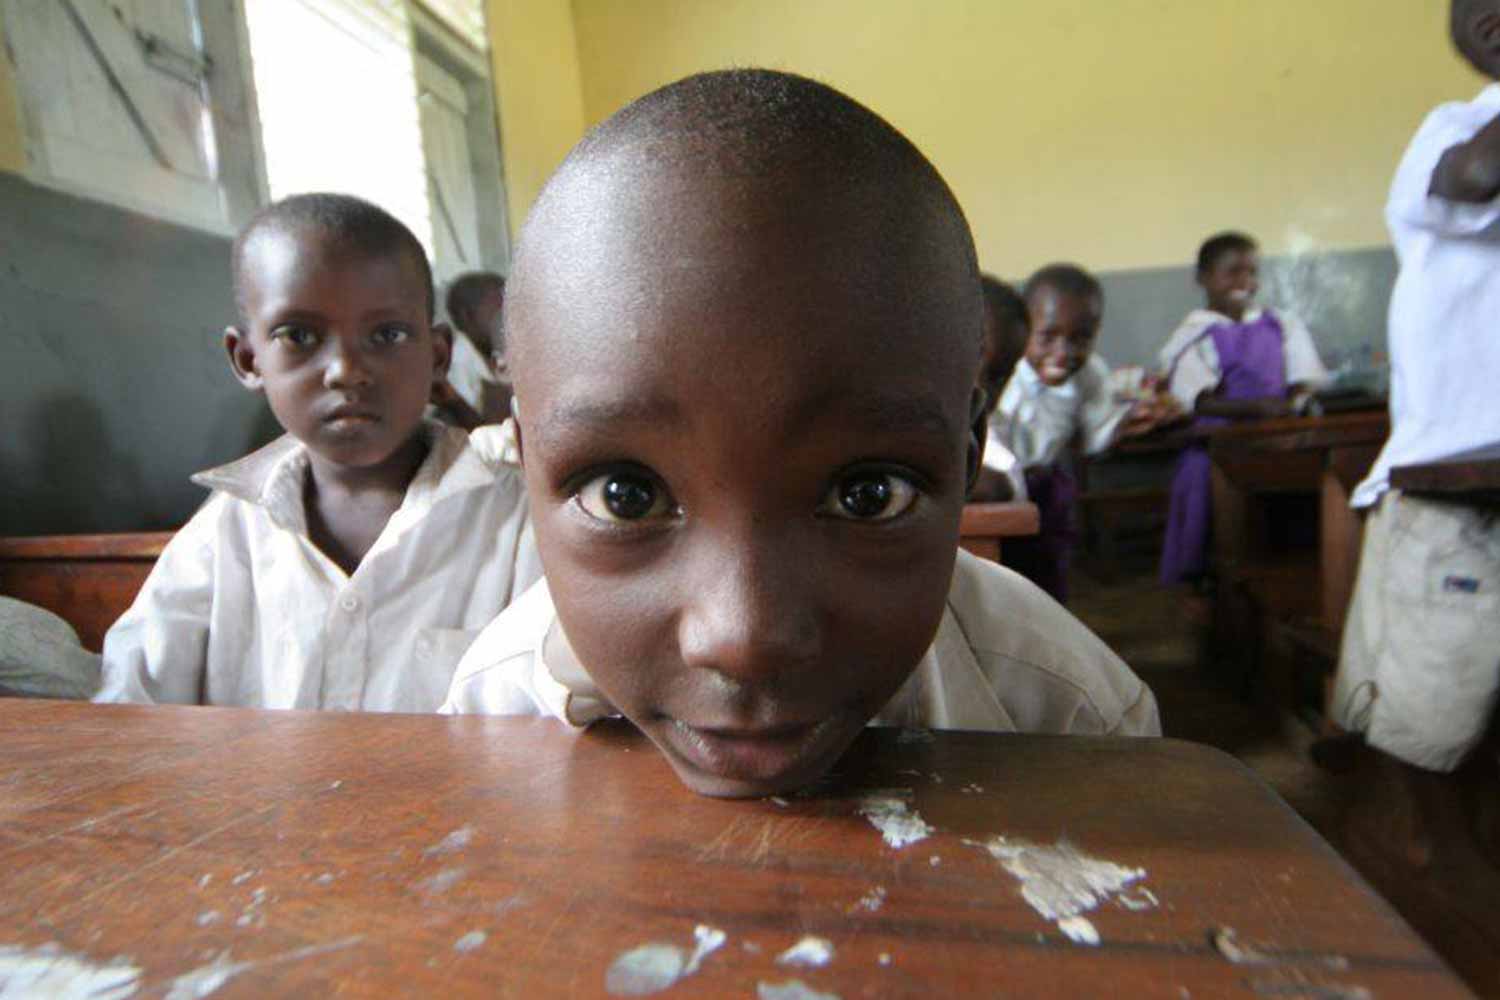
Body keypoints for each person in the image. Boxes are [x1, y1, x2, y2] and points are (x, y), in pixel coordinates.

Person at [439, 69, 1159, 799]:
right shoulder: (487, 715)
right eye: (626, 496)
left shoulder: (1072, 718)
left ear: (967, 461)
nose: (745, 639)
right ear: (527, 466)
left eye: (867, 494)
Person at [96, 194, 541, 711]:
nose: (345, 370)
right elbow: (128, 709)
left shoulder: (517, 524)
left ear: (437, 354)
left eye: (387, 334)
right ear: (248, 359)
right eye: (300, 336)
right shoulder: (223, 539)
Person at [1324, 0, 1500, 853]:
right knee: (1433, 698)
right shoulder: (1455, 130)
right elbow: (1474, 180)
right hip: (1452, 480)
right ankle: (1444, 868)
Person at [990, 264, 1179, 602]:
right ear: (1024, 329)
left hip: (1048, 482)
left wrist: (1132, 419)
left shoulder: (1090, 373)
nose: (1063, 353)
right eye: (1048, 336)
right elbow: (992, 434)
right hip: (999, 485)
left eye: (1081, 339)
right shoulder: (1005, 372)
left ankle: (1050, 620)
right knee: (1003, 572)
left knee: (1050, 567)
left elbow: (1097, 427)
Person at [1156, 232, 1328, 585]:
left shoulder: (1280, 324)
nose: (1245, 282)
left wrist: (1293, 402)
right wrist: (1259, 409)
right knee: (1211, 523)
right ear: (1203, 278)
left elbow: (1302, 377)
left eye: (1251, 272)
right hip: (1216, 447)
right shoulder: (1197, 333)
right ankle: (1207, 586)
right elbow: (1198, 399)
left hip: (1278, 440)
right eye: (1232, 272)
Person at [971, 274, 1029, 502]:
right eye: (967, 365)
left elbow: (1002, 485)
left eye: (998, 377)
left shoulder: (994, 434)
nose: (981, 388)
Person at [434, 271, 512, 429]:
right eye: (499, 309)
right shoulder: (457, 363)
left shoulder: (495, 355)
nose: (508, 317)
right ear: (467, 316)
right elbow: (469, 429)